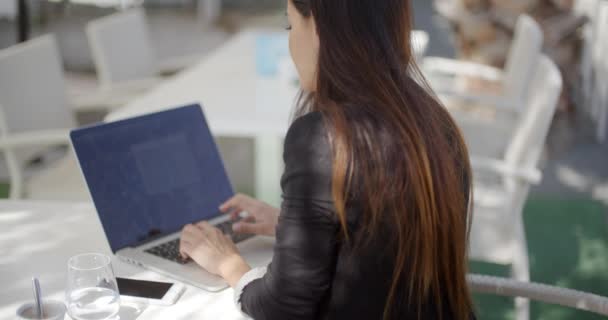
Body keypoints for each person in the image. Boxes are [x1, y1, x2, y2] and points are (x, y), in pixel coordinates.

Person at [178, 0, 475, 319]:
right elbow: (381, 245)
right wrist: (291, 225)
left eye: (290, 26)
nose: (291, 42)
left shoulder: (325, 138)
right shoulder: (432, 120)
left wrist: (227, 262)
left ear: (318, 27)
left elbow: (282, 307)